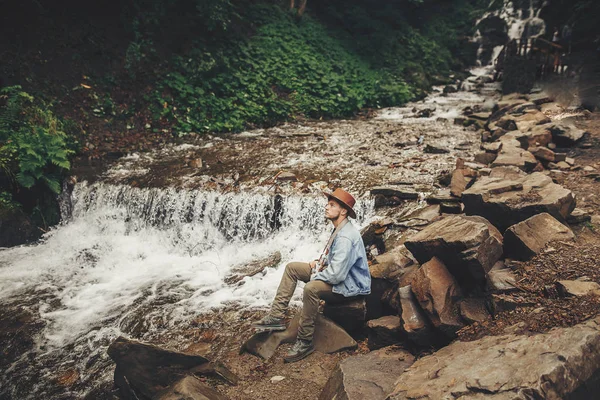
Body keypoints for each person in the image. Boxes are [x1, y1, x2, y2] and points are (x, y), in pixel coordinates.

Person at [252, 188, 371, 363]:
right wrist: (319, 262)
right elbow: (335, 259)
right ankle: (276, 317)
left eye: (332, 205)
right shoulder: (340, 228)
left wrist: (316, 276)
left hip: (350, 285)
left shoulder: (346, 237)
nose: (326, 207)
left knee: (311, 288)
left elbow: (337, 275)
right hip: (339, 276)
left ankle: (305, 341)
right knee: (292, 268)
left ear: (343, 211)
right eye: (328, 204)